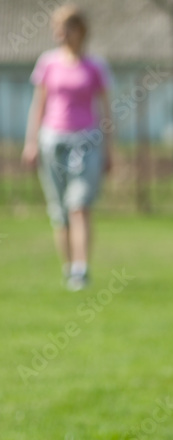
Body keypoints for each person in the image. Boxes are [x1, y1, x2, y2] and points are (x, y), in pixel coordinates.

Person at [22, 4, 113, 291]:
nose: (60, 34)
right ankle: (69, 267)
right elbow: (39, 105)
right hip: (52, 140)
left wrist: (110, 150)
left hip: (86, 141)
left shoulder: (95, 66)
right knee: (59, 211)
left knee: (80, 205)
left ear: (80, 31)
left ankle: (81, 268)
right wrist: (31, 141)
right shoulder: (48, 63)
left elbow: (107, 111)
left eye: (66, 28)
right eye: (57, 29)